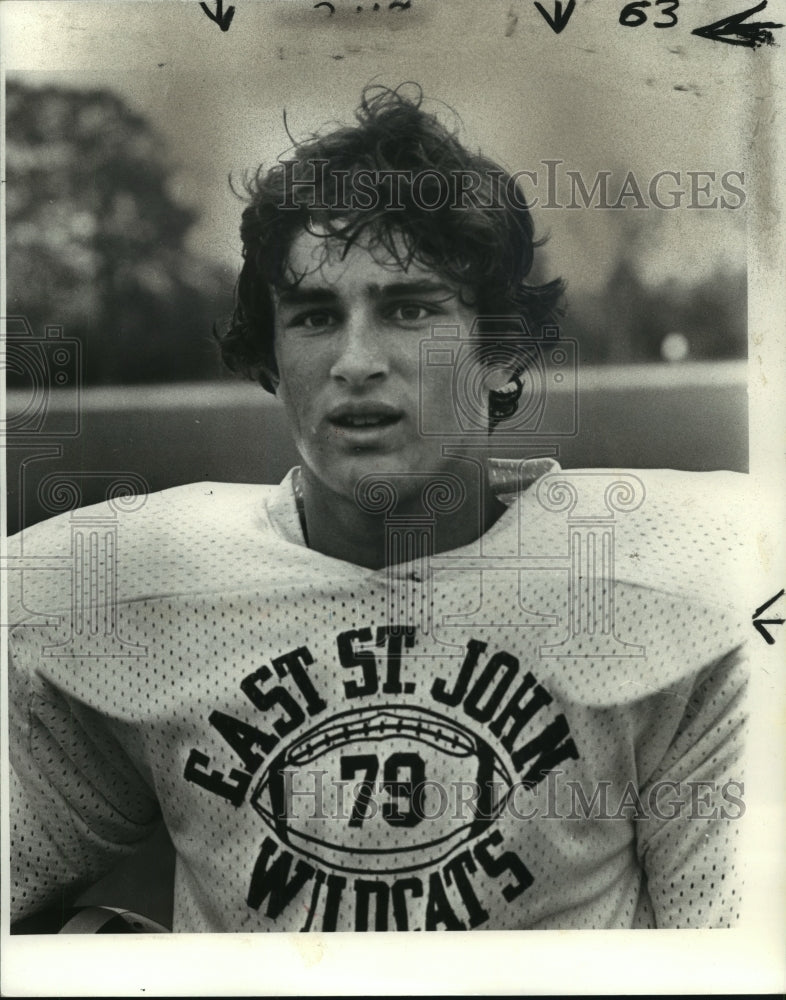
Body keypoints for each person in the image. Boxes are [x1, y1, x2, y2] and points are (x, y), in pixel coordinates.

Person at [7, 84, 748, 933]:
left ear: (503, 354)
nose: (357, 360)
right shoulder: (130, 589)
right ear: (274, 360)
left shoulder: (672, 581)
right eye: (316, 315)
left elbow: (735, 954)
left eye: (410, 309)